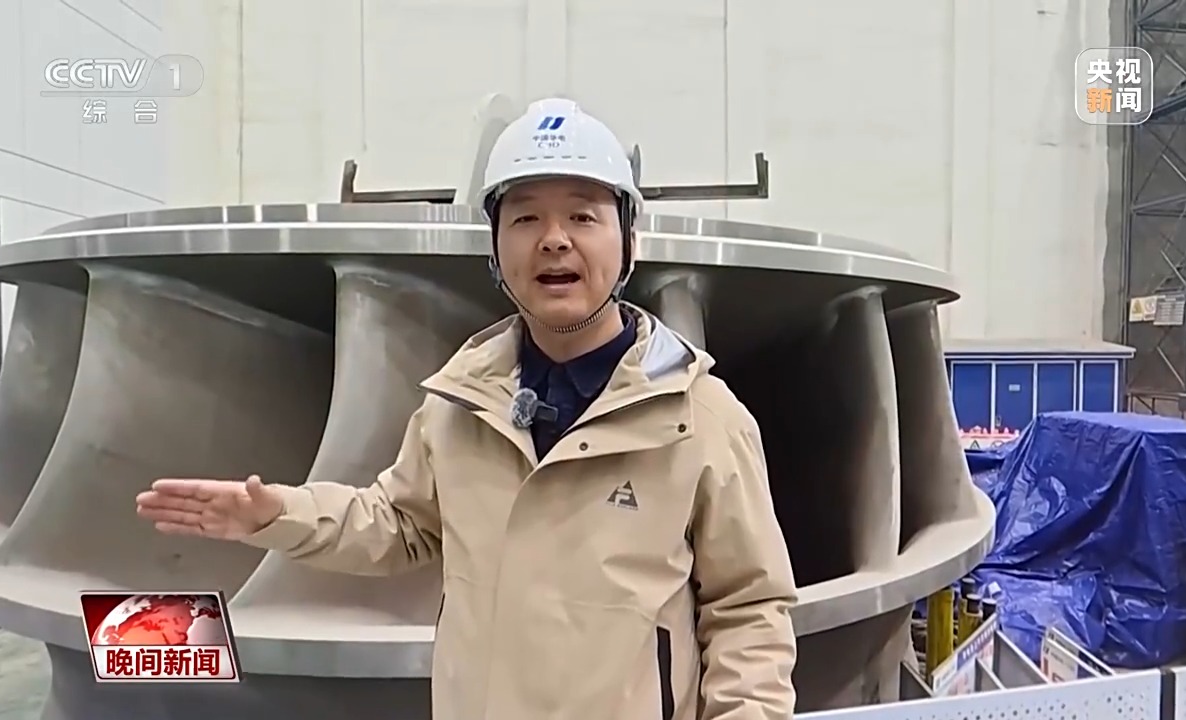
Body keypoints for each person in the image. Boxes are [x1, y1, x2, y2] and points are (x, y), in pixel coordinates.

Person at [136, 97, 798, 720]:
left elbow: (749, 608)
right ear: (496, 248)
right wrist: (276, 513)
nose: (554, 239)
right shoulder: (460, 405)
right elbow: (398, 524)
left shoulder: (698, 416)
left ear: (628, 241)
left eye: (583, 217)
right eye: (526, 218)